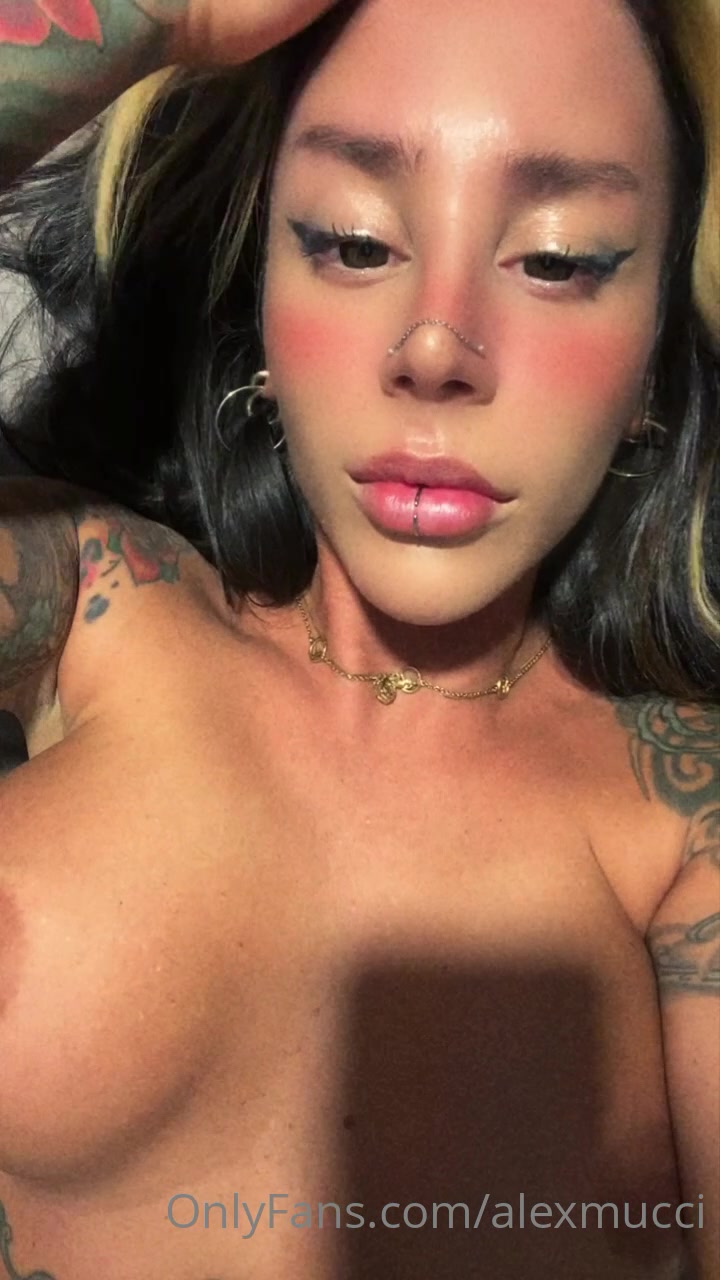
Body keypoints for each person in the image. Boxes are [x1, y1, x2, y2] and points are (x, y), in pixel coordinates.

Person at [0, 0, 718, 1276]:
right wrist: (161, 15)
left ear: (654, 362)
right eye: (351, 240)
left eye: (558, 259)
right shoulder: (91, 604)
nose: (435, 344)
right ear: (260, 305)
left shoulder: (684, 818)